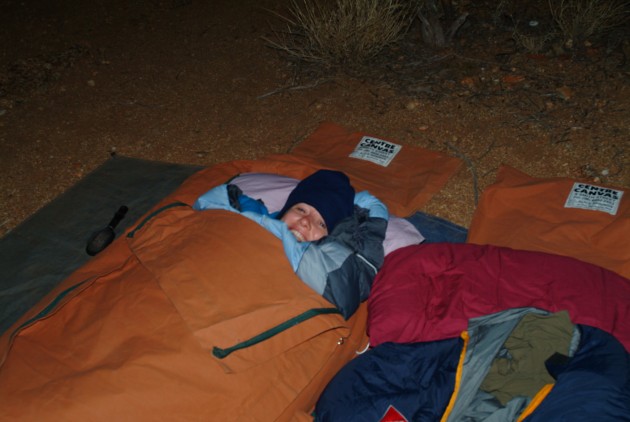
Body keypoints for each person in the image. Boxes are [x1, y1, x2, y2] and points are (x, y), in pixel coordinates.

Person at [193, 169, 388, 318]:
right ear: (283, 212)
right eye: (301, 209)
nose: (305, 221)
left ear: (329, 238)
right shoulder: (253, 216)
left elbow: (341, 289)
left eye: (321, 223)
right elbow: (212, 203)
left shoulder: (329, 264)